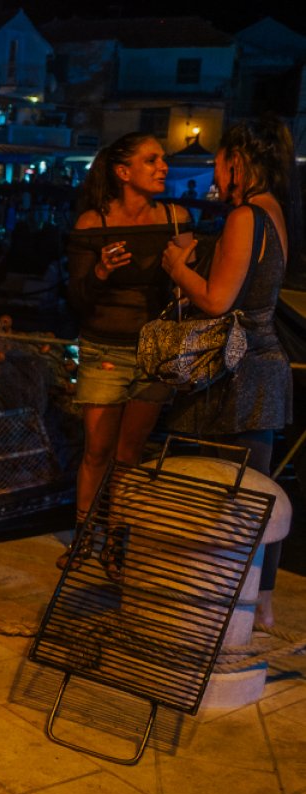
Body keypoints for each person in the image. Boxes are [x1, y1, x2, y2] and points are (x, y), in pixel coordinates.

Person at [161, 116, 298, 626]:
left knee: (225, 490)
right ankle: (259, 600)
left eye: (219, 160)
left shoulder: (245, 216)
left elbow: (218, 301)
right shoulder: (275, 211)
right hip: (262, 366)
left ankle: (217, 602)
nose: (215, 172)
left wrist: (178, 268)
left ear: (237, 160)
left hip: (237, 371)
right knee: (256, 488)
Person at [62, 132, 189, 571]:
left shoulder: (176, 218)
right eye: (151, 160)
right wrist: (100, 270)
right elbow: (77, 298)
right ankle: (83, 537)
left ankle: (116, 542)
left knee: (128, 455)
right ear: (123, 171)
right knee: (96, 451)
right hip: (104, 350)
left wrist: (182, 274)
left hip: (154, 354)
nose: (163, 167)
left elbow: (187, 289)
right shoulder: (92, 223)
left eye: (163, 160)